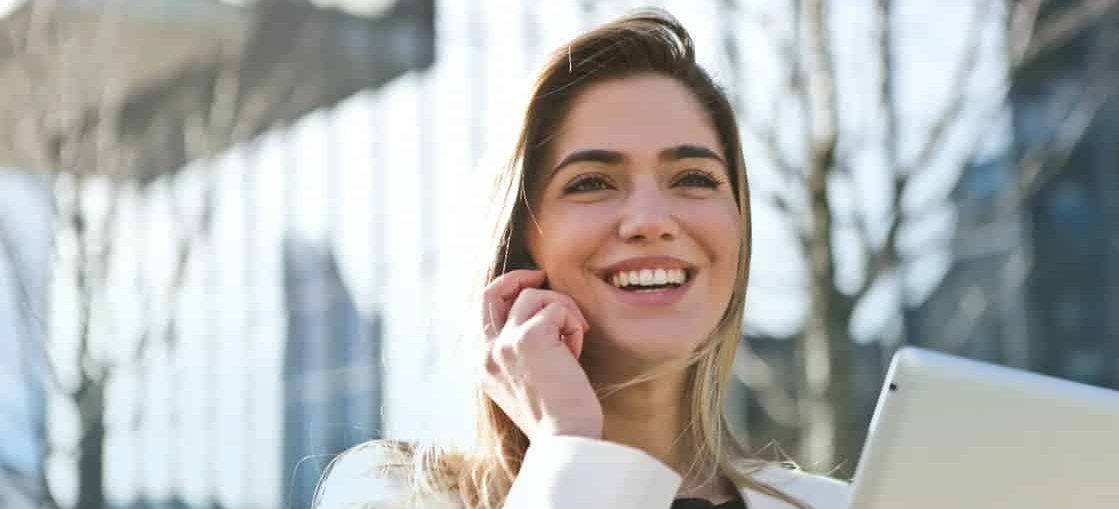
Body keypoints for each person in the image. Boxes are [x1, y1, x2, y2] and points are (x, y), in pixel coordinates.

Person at [314, 9, 851, 509]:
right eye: (592, 182)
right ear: (522, 243)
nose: (650, 219)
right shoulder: (393, 494)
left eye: (693, 178)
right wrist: (567, 448)